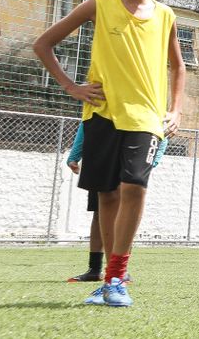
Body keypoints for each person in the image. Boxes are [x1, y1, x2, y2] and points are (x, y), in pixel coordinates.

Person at [33, 0, 185, 307]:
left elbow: (178, 67)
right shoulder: (98, 6)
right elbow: (43, 44)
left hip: (146, 118)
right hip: (101, 114)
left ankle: (116, 277)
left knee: (134, 186)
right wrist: (71, 87)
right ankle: (106, 278)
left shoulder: (165, 15)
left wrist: (175, 110)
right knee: (107, 194)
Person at [64, 119, 167, 283]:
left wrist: (153, 159)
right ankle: (95, 269)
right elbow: (87, 122)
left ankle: (120, 271)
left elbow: (160, 127)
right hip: (102, 151)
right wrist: (74, 154)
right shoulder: (101, 100)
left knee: (125, 212)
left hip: (129, 156)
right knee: (98, 212)